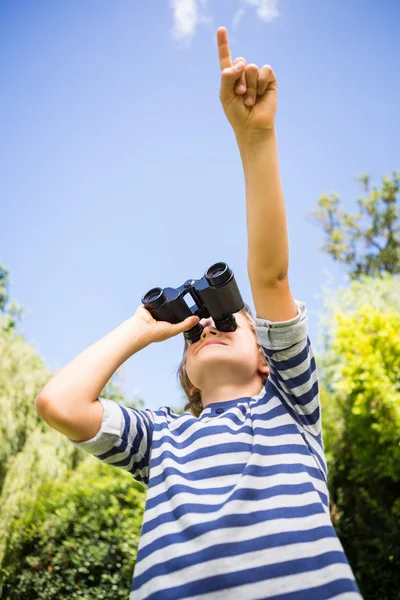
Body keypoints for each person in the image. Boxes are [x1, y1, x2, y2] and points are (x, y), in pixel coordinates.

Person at [36, 27, 363, 600]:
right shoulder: (161, 437)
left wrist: (256, 138)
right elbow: (59, 404)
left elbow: (270, 278)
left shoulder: (291, 405)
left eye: (230, 322)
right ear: (185, 374)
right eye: (195, 335)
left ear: (269, 361)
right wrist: (144, 325)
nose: (209, 326)